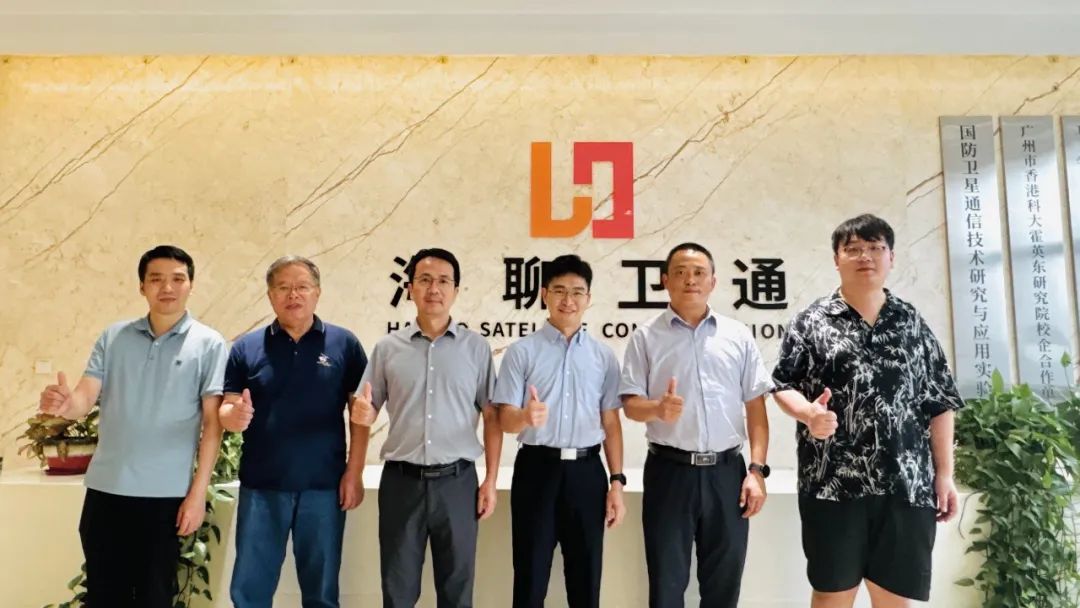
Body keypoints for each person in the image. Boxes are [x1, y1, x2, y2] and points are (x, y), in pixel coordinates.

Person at [771, 214, 964, 607]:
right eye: (854, 249)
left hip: (905, 485)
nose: (865, 257)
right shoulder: (811, 321)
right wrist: (808, 414)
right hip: (831, 484)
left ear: (891, 257)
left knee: (894, 600)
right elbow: (781, 384)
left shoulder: (911, 323)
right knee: (831, 596)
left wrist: (944, 474)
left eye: (876, 248)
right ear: (836, 258)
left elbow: (940, 401)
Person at [38, 245, 227, 608]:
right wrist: (65, 405)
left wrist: (197, 494)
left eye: (177, 279)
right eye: (156, 279)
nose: (167, 287)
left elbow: (212, 425)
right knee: (105, 596)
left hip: (166, 497)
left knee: (155, 597)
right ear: (142, 286)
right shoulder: (114, 337)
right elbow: (84, 398)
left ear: (190, 285)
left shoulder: (209, 344)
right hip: (106, 491)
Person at [620, 242, 772, 608]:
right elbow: (630, 406)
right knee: (666, 584)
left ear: (713, 282)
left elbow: (755, 407)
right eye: (681, 272)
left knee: (723, 585)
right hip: (669, 472)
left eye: (699, 273)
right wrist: (657, 408)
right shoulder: (646, 337)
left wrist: (756, 471)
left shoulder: (737, 335)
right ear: (665, 281)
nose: (690, 280)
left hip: (727, 474)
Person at [351, 247, 502, 608]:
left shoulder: (476, 348)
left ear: (456, 290)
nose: (434, 289)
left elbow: (493, 416)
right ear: (410, 288)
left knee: (457, 590)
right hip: (401, 483)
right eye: (425, 280)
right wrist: (362, 417)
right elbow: (365, 410)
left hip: (457, 483)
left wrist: (490, 480)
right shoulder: (388, 348)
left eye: (443, 281)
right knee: (398, 591)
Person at [220, 255, 368, 608]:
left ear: (317, 292)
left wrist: (355, 473)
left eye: (302, 287)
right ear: (270, 295)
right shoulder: (246, 347)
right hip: (262, 486)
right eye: (283, 287)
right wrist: (234, 416)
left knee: (322, 592)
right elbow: (227, 406)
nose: (293, 295)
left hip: (324, 487)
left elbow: (360, 415)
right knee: (250, 591)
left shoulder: (344, 344)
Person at [493, 254, 626, 608]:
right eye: (560, 290)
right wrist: (525, 416)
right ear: (544, 294)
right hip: (536, 470)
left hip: (587, 473)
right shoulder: (521, 352)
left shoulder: (603, 356)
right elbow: (504, 420)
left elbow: (611, 423)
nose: (569, 300)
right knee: (530, 575)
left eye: (577, 292)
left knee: (586, 579)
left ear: (589, 298)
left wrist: (616, 482)